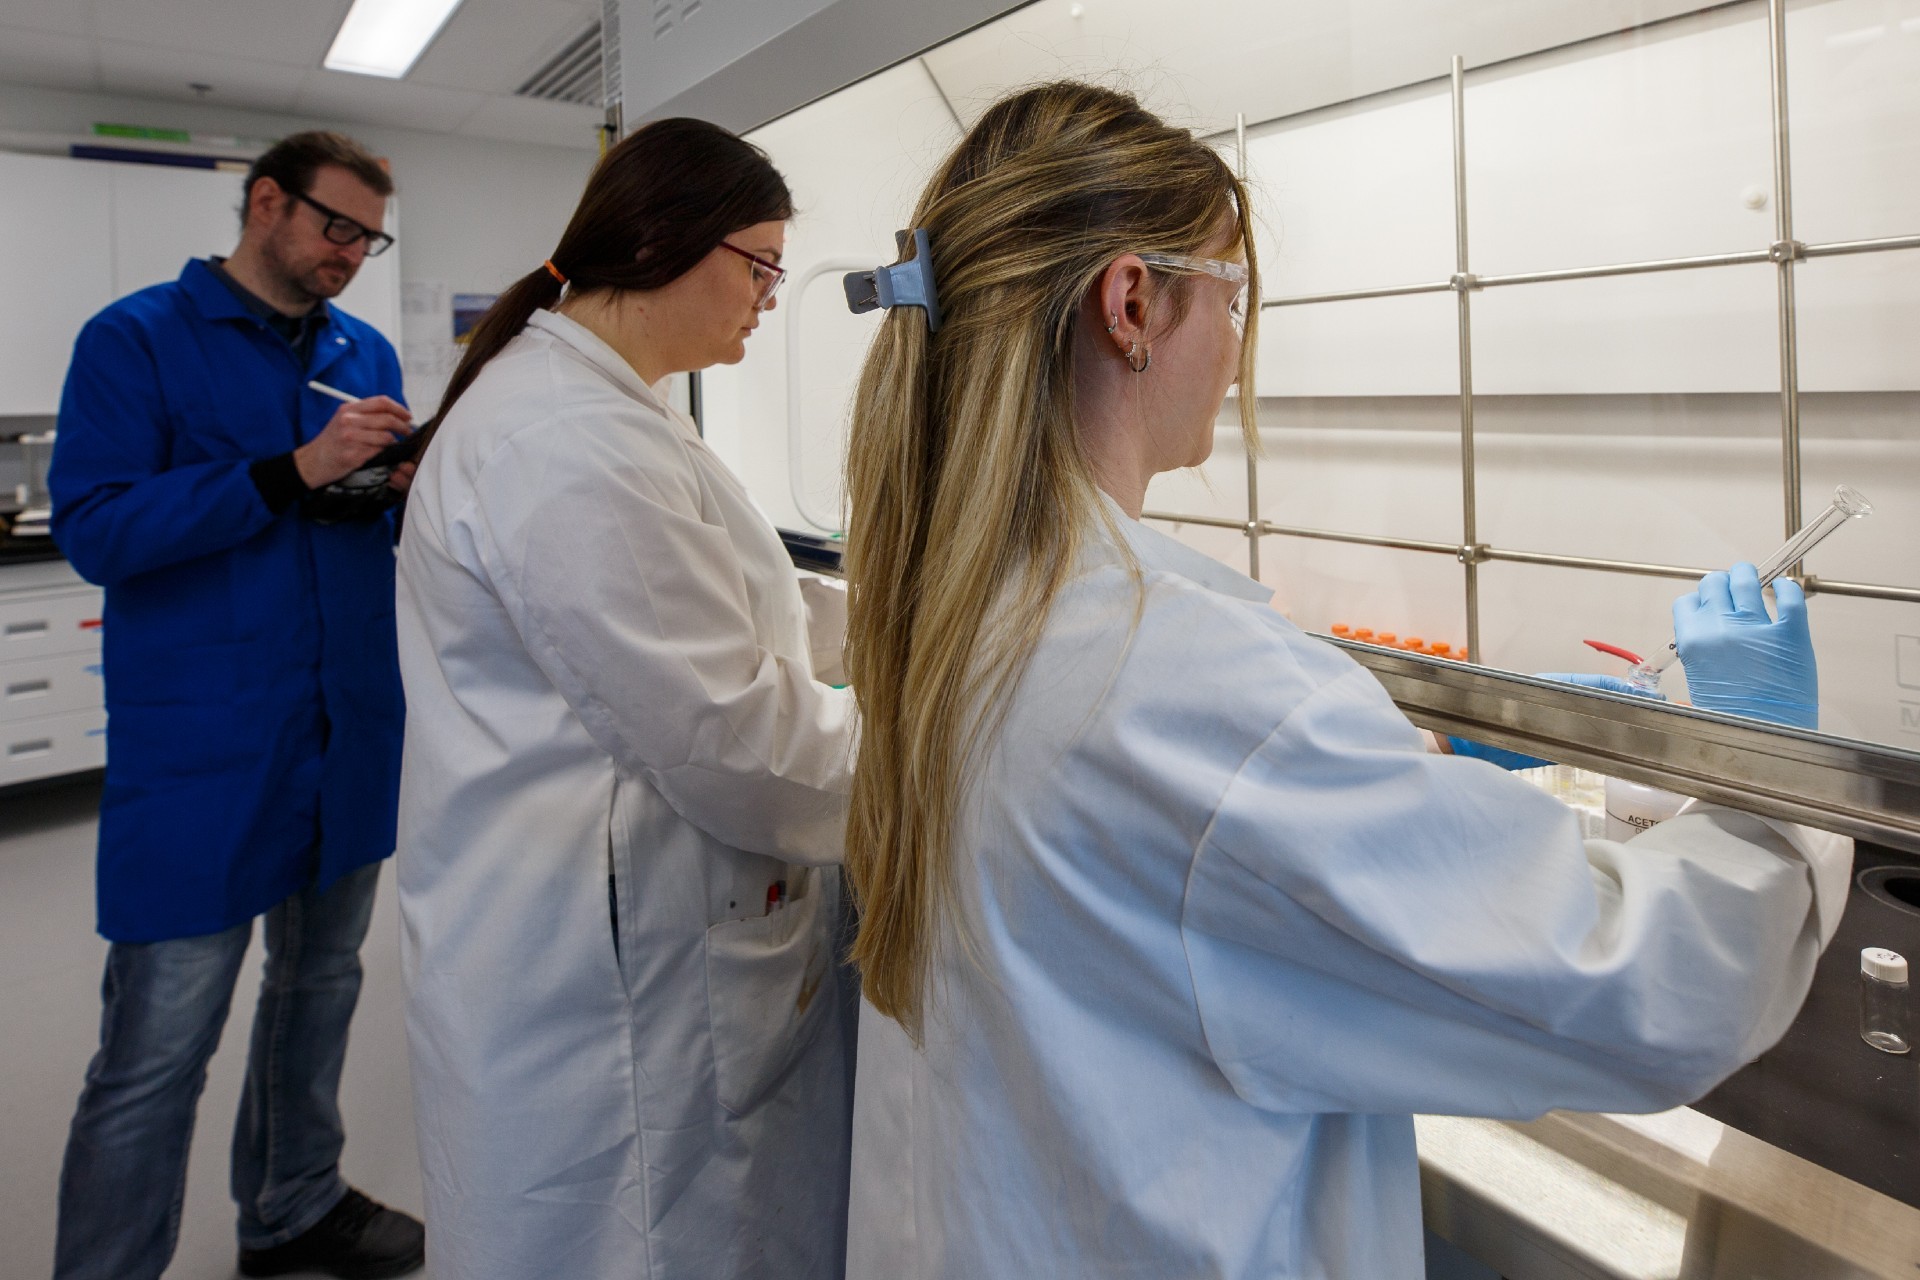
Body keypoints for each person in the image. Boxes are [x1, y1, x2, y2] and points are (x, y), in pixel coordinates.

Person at [836, 82, 1851, 1279]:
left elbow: (1173, 867)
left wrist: (1398, 758)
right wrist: (1765, 775)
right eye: (1229, 292)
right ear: (1131, 304)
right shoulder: (1185, 689)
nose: (1233, 340)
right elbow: (1649, 991)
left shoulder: (958, 616)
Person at [394, 118, 857, 1280]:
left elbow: (719, 597)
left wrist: (889, 622)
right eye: (759, 266)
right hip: (603, 975)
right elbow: (731, 738)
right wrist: (943, 740)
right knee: (642, 1236)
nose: (766, 296)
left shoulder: (617, 406)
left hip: (614, 920)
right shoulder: (564, 437)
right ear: (663, 243)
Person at [47, 130, 424, 1280]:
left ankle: (291, 1204)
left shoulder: (363, 350)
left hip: (345, 731)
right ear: (267, 203)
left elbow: (364, 532)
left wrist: (396, 486)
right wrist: (291, 471)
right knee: (157, 1048)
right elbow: (98, 529)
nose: (352, 255)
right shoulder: (134, 341)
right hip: (206, 748)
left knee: (319, 992)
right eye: (335, 226)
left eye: (370, 236)